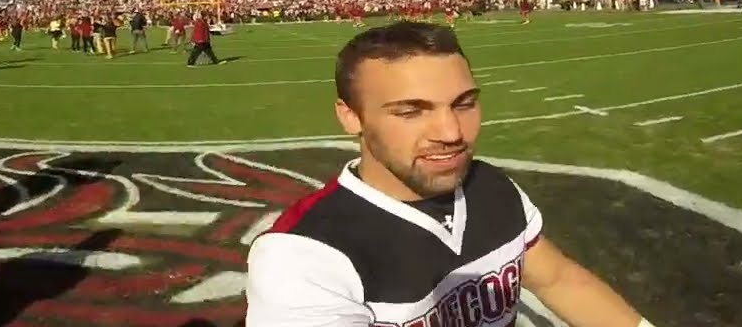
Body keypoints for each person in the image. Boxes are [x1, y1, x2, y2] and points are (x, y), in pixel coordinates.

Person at [245, 21, 653, 327]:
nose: (452, 133)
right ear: (350, 116)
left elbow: (558, 280)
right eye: (410, 111)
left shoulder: (489, 186)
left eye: (464, 103)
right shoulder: (301, 255)